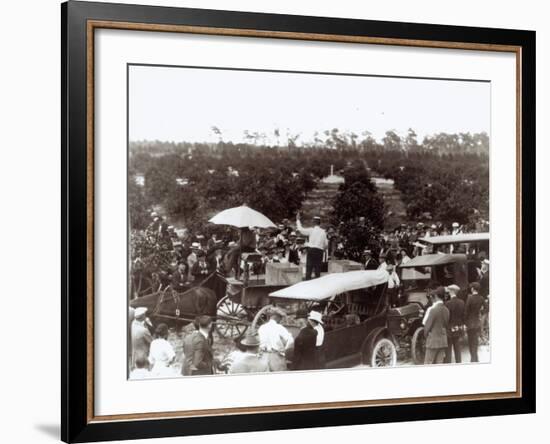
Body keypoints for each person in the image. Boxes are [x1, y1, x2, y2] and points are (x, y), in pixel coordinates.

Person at [296, 213, 328, 280]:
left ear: (313, 222)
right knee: (317, 270)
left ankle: (308, 284)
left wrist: (298, 220)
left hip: (312, 250)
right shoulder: (323, 232)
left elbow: (301, 230)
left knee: (309, 269)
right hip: (319, 251)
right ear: (320, 223)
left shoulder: (311, 230)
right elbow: (326, 244)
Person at [423, 287, 450, 364]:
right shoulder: (446, 310)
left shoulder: (433, 310)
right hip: (443, 341)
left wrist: (426, 336)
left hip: (433, 341)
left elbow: (427, 328)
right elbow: (446, 324)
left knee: (428, 363)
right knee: (439, 363)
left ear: (436, 296)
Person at [444, 284, 465, 363]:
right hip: (458, 328)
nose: (448, 293)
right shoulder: (462, 302)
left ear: (452, 292)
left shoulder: (447, 303)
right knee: (457, 347)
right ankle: (458, 362)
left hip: (449, 328)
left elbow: (446, 317)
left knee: (448, 349)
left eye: (449, 291)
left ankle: (448, 363)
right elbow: (463, 316)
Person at [465, 282, 484, 362]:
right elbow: (487, 308)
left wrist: (465, 321)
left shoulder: (469, 298)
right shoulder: (481, 298)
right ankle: (475, 359)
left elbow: (466, 311)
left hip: (470, 323)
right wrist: (481, 311)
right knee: (475, 342)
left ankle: (473, 359)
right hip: (477, 322)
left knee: (470, 342)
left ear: (472, 289)